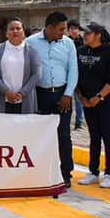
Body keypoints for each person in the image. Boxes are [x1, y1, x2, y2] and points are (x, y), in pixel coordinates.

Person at [27, 11, 79, 187]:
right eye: (61, 29)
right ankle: (41, 171)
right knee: (40, 135)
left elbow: (73, 71)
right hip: (40, 95)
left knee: (63, 134)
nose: (64, 32)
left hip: (62, 96)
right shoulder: (31, 43)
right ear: (49, 28)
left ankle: (65, 173)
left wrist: (68, 94)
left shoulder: (68, 44)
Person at [74, 23, 110, 188]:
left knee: (108, 136)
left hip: (106, 101)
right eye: (84, 33)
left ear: (98, 35)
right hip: (87, 102)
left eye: (88, 33)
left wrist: (99, 97)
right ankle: (93, 172)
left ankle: (109, 172)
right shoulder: (80, 51)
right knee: (94, 137)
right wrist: (82, 97)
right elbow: (75, 76)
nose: (85, 36)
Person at [0, 18, 42, 114]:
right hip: (2, 99)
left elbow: (37, 75)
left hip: (25, 100)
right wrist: (6, 92)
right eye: (11, 29)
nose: (15, 31)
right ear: (6, 33)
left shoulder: (32, 51)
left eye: (18, 28)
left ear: (23, 32)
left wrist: (22, 93)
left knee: (24, 128)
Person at [67, 20, 85, 129]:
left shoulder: (84, 42)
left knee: (79, 101)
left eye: (76, 28)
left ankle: (79, 123)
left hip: (80, 75)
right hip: (67, 75)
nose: (74, 31)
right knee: (67, 100)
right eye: (72, 29)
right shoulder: (65, 42)